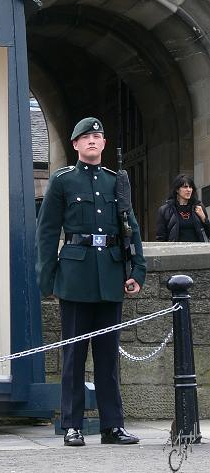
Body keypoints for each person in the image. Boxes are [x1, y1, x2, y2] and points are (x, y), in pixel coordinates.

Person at [36, 117, 146, 448]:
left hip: (110, 275)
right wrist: (49, 279)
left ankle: (113, 425)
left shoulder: (116, 182)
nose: (92, 141)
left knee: (108, 358)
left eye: (97, 136)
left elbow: (131, 228)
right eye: (86, 137)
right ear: (75, 145)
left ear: (104, 143)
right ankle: (73, 425)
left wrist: (136, 271)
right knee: (73, 356)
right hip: (75, 276)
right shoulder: (63, 181)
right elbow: (47, 232)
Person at [156, 175, 210, 242]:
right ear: (177, 189)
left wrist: (204, 219)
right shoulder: (165, 210)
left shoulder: (199, 207)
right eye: (185, 187)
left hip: (197, 250)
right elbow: (161, 238)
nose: (189, 190)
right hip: (176, 251)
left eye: (190, 187)